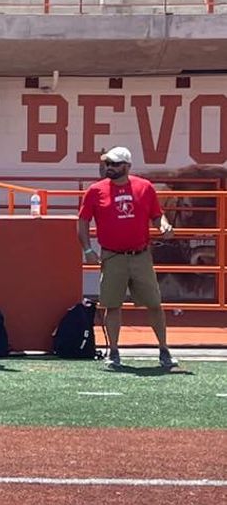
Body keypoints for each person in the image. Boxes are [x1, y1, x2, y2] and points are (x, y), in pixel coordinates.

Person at [77, 145, 175, 371]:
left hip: (140, 255)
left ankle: (164, 349)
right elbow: (83, 220)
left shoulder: (144, 187)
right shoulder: (96, 190)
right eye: (107, 163)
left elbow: (157, 215)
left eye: (114, 164)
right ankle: (113, 351)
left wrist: (164, 225)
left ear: (127, 166)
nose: (109, 167)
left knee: (154, 304)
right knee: (112, 305)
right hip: (112, 256)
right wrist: (87, 250)